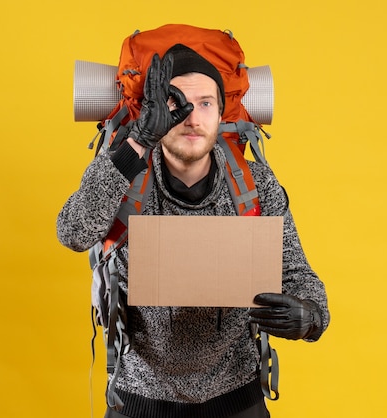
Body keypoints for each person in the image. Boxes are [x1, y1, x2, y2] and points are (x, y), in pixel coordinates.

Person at [57, 43, 330, 418]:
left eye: (205, 103)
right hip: (138, 397)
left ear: (221, 114)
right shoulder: (123, 172)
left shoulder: (254, 185)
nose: (191, 117)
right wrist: (136, 141)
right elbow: (73, 232)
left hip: (236, 396)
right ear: (155, 110)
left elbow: (299, 275)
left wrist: (311, 315)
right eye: (175, 103)